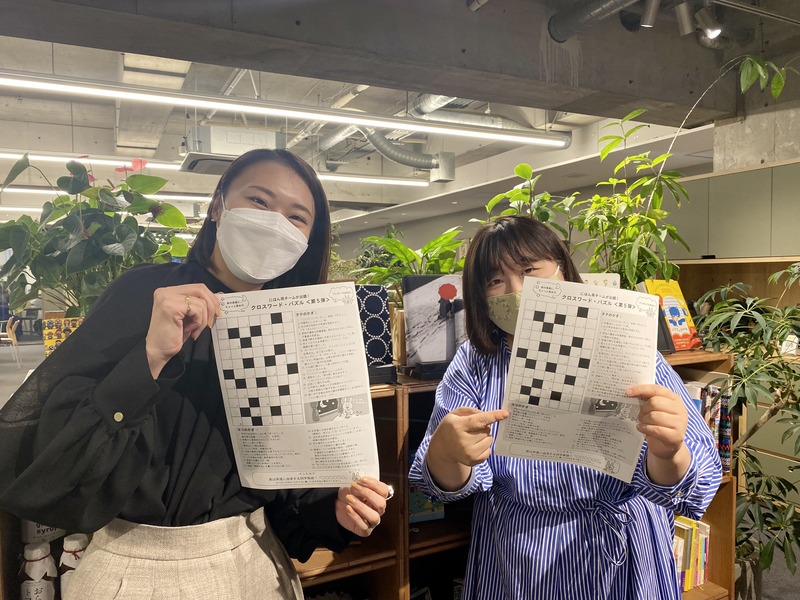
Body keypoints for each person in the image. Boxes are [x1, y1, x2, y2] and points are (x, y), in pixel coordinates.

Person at [0, 148, 391, 600]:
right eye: (259, 201)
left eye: (296, 217)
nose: (274, 224)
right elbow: (55, 466)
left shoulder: (295, 325)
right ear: (218, 207)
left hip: (258, 561)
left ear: (307, 241)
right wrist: (150, 357)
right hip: (137, 567)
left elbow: (288, 485)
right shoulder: (146, 294)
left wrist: (337, 510)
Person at [408, 216, 722, 600]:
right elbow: (444, 482)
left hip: (623, 548)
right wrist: (446, 452)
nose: (517, 290)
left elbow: (699, 478)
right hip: (520, 556)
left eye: (529, 270)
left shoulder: (624, 344)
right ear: (479, 297)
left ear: (562, 270)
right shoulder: (475, 362)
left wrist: (668, 451)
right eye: (495, 281)